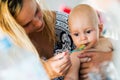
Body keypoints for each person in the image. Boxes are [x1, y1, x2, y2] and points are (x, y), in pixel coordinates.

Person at [0, 0, 113, 80]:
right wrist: (46, 72)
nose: (39, 23)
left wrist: (108, 57)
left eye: (36, 11)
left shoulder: (62, 21)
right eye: (27, 24)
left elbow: (99, 40)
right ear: (12, 29)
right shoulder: (8, 55)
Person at [64, 4, 117, 80]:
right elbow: (70, 77)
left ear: (100, 29)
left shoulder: (107, 42)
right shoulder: (75, 56)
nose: (83, 38)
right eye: (76, 34)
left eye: (88, 32)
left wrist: (112, 56)